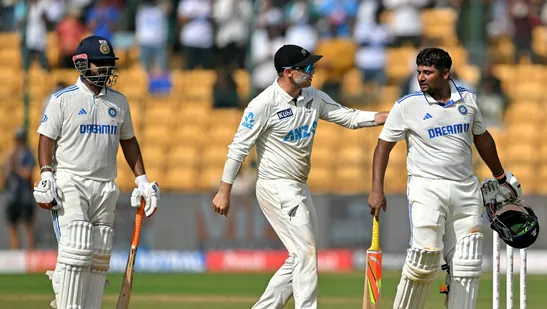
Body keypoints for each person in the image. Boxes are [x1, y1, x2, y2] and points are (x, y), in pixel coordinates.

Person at [211, 44, 388, 309]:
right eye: (307, 67)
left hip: (298, 185)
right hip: (275, 186)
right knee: (305, 253)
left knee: (301, 255)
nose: (313, 71)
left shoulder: (313, 96)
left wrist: (386, 117)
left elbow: (347, 117)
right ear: (289, 73)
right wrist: (224, 191)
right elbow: (239, 148)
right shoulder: (263, 104)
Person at [367, 47, 522, 309]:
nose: (421, 77)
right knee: (424, 259)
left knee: (468, 264)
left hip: (466, 189)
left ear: (446, 74)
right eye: (419, 72)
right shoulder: (407, 106)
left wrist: (500, 176)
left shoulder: (468, 100)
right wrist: (376, 189)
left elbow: (482, 139)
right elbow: (383, 146)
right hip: (427, 188)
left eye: (428, 72)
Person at [32, 35, 160, 309]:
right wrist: (46, 174)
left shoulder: (118, 102)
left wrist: (143, 180)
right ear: (81, 63)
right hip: (71, 182)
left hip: (105, 186)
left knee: (99, 256)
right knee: (77, 249)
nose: (105, 69)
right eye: (99, 63)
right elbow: (45, 138)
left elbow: (129, 141)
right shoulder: (62, 99)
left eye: (108, 64)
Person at [3, 128, 36, 250]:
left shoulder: (28, 154)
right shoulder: (12, 154)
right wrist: (9, 166)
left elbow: (27, 174)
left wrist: (15, 166)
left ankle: (31, 252)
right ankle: (15, 253)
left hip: (25, 194)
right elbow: (5, 176)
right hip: (13, 195)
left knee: (27, 224)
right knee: (13, 225)